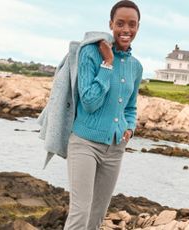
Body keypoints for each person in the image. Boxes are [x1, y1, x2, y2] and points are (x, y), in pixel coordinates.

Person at [64, 1, 143, 229]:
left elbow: (130, 106)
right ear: (110, 24)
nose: (126, 29)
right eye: (120, 23)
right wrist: (107, 63)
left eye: (132, 24)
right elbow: (89, 102)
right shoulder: (91, 52)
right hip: (84, 144)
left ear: (138, 27)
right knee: (80, 213)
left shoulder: (136, 67)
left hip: (116, 148)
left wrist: (130, 128)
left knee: (97, 216)